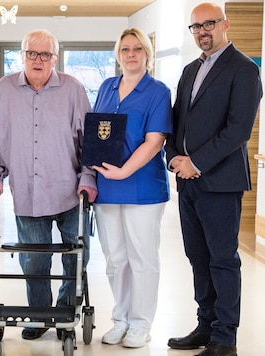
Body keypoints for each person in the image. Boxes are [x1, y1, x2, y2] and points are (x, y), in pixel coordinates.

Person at [0, 29, 97, 341]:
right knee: (34, 259)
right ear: (22, 56)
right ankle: (40, 315)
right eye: (31, 53)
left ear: (55, 59)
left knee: (76, 257)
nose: (38, 60)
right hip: (28, 195)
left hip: (70, 193)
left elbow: (89, 142)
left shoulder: (72, 89)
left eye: (45, 54)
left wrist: (88, 179)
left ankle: (64, 311)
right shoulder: (3, 90)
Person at [164, 3, 263, 356]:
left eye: (209, 24)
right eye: (196, 27)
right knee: (197, 257)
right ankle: (205, 325)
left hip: (220, 183)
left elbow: (238, 129)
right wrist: (173, 156)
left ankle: (225, 337)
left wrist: (197, 162)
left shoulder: (244, 69)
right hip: (187, 183)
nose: (202, 31)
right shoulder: (191, 70)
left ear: (225, 24)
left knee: (222, 259)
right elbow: (176, 121)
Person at [90, 28, 172, 349]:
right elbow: (98, 132)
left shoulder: (157, 91)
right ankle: (120, 319)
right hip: (107, 186)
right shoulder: (107, 87)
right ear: (117, 54)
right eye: (125, 49)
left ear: (147, 54)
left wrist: (124, 170)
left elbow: (155, 141)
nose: (131, 54)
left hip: (142, 188)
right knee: (115, 259)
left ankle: (141, 323)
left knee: (142, 258)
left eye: (138, 48)